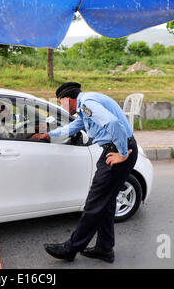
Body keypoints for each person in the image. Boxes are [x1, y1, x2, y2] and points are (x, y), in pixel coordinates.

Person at [30, 82, 138, 263]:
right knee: (106, 203)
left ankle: (70, 248)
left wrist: (121, 153)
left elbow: (112, 123)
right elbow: (72, 128)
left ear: (68, 98)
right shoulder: (84, 108)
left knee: (94, 203)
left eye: (60, 101)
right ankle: (105, 248)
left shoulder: (87, 103)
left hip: (119, 152)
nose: (61, 105)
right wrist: (48, 135)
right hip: (114, 150)